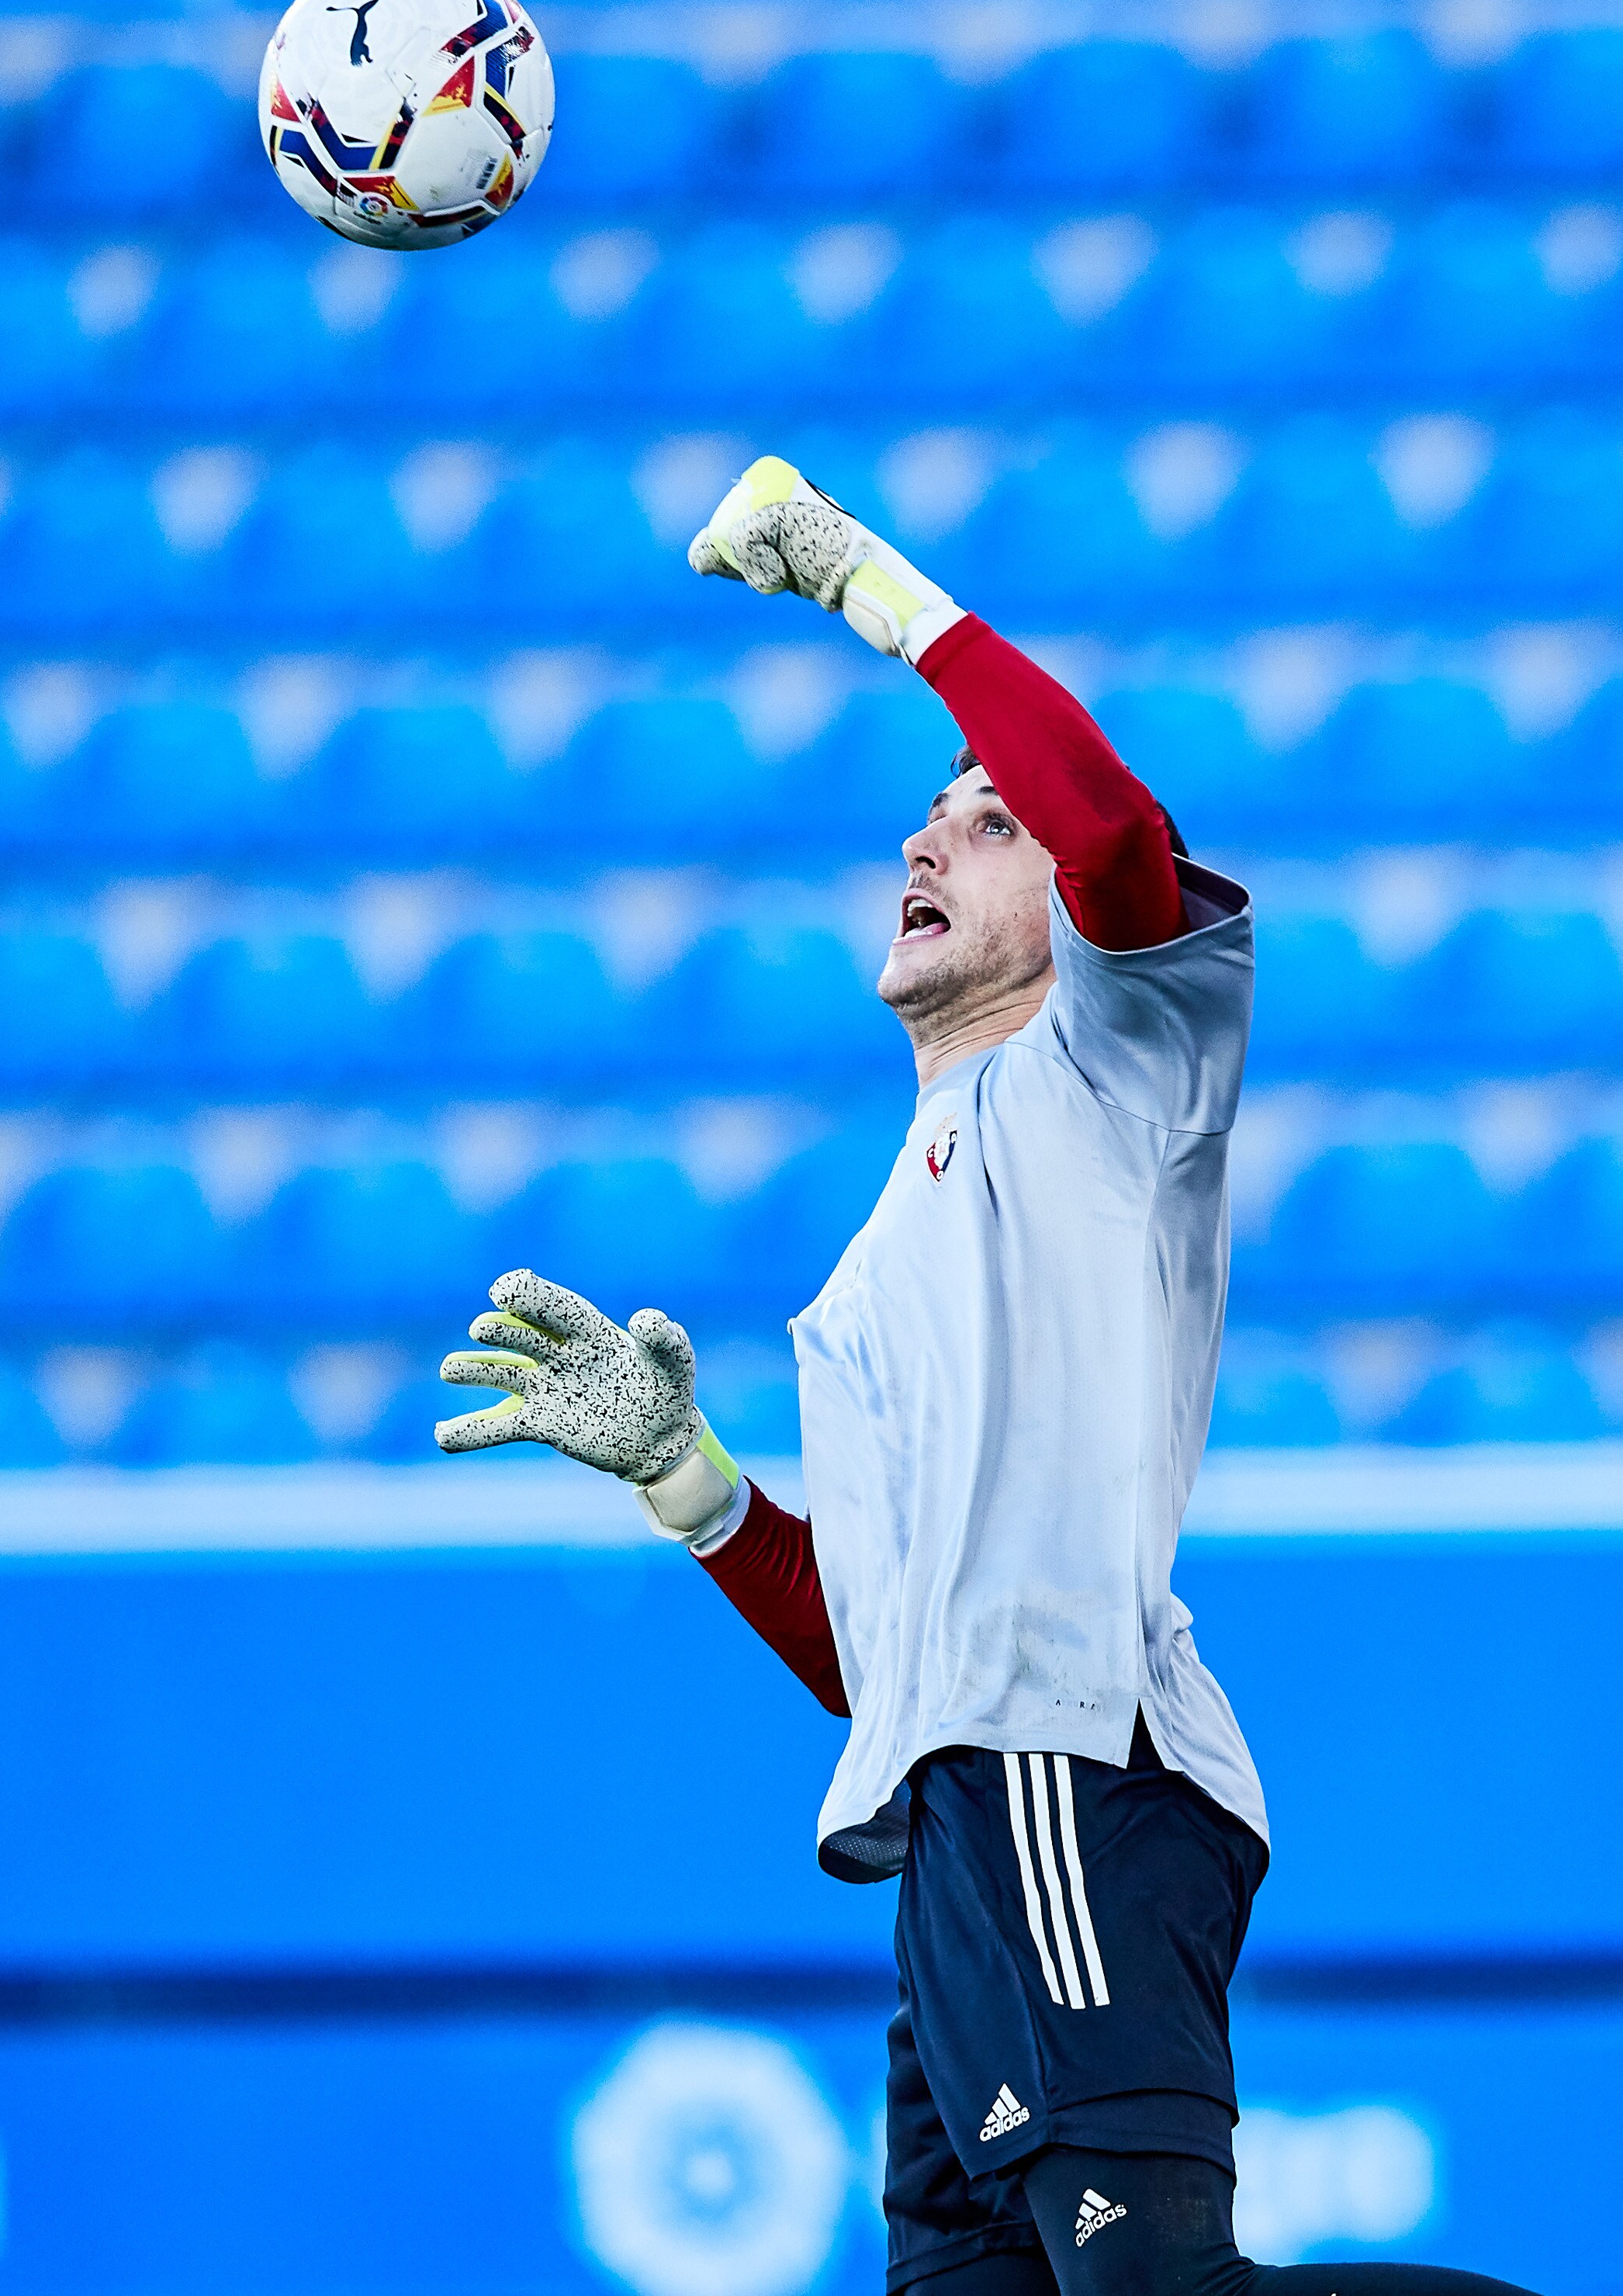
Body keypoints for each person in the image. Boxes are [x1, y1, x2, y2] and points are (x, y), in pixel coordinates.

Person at [434, 458, 1539, 2296]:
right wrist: (694, 1489)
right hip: (957, 1829)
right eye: (926, 823)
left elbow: (1109, 827)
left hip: (1067, 1781)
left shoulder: (1114, 1069)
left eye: (979, 822)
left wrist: (872, 586)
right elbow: (888, 1662)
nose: (924, 846)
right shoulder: (879, 1258)